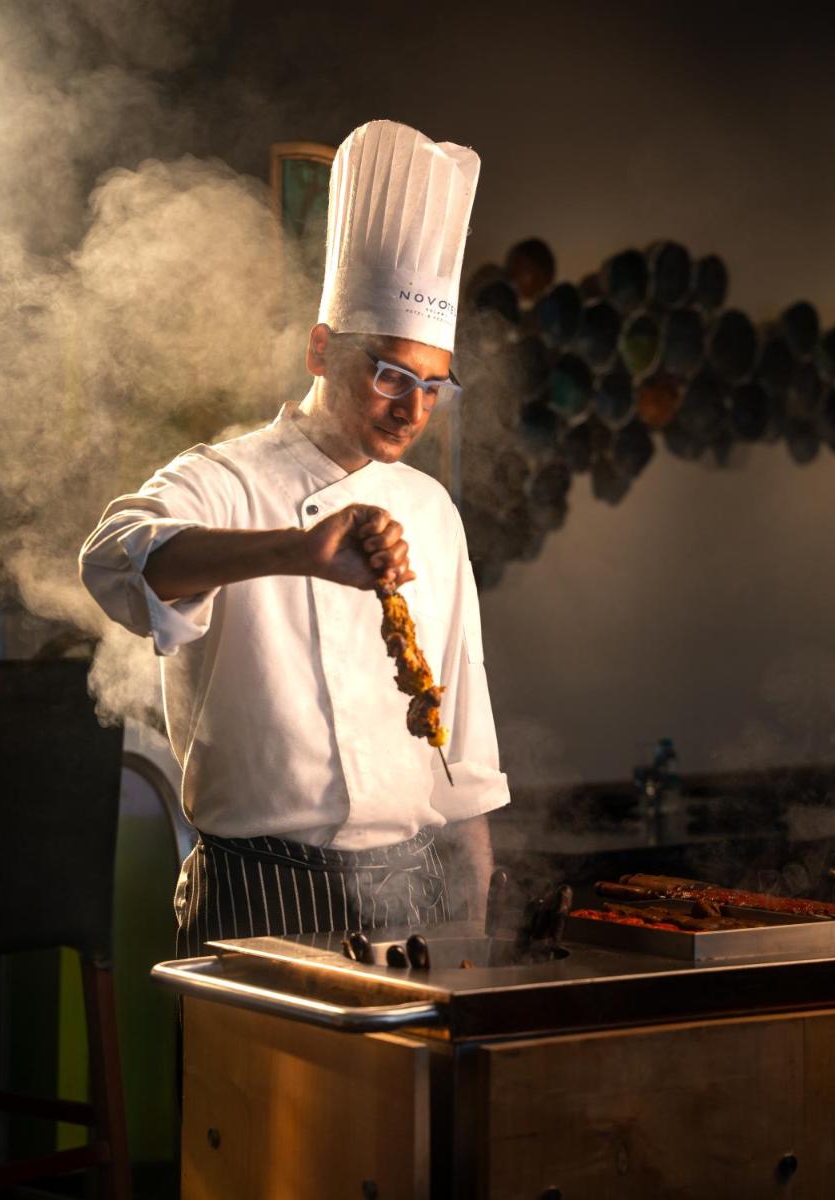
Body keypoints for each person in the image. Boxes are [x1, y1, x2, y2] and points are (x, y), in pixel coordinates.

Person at [79, 120, 510, 954]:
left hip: (414, 899)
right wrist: (293, 552)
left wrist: (478, 915)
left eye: (433, 384)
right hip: (258, 893)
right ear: (322, 348)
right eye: (390, 372)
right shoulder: (227, 480)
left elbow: (466, 740)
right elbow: (114, 563)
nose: (412, 407)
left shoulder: (432, 511)